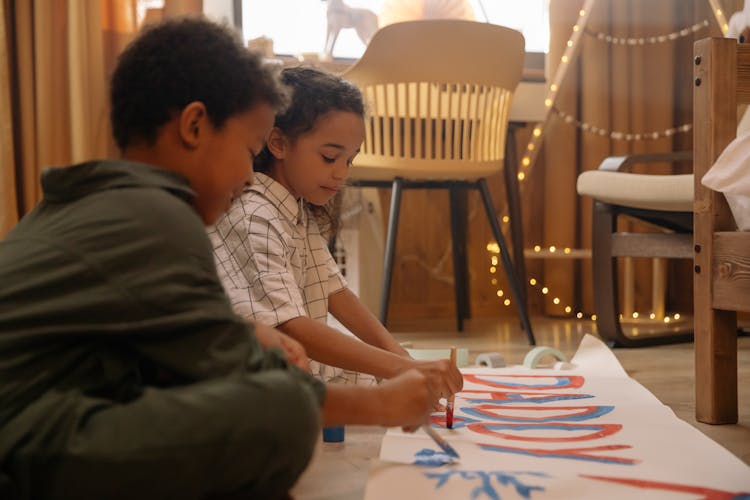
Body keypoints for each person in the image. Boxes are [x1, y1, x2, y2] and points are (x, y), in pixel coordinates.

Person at [0, 17, 438, 500]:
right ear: (193, 127)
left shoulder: (103, 200)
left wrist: (247, 337)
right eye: (249, 150)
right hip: (21, 441)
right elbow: (234, 380)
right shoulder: (159, 216)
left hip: (36, 415)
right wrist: (378, 404)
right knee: (276, 419)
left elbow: (150, 331)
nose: (250, 178)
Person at [209, 67, 463, 397]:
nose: (341, 173)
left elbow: (336, 293)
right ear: (278, 143)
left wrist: (403, 360)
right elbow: (291, 327)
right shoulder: (255, 215)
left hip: (293, 372)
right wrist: (404, 369)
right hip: (252, 386)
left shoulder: (294, 208)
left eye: (350, 160)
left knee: (373, 382)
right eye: (329, 157)